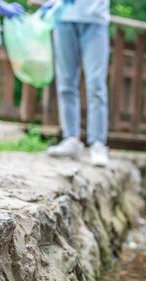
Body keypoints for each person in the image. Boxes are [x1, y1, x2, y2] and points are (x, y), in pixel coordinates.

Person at [44, 0, 111, 167]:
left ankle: (98, 144)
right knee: (66, 83)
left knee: (96, 84)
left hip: (95, 19)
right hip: (63, 17)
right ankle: (71, 138)